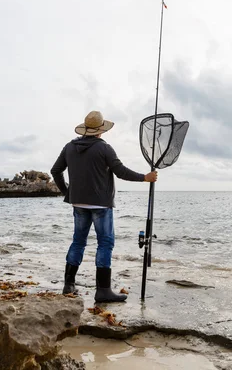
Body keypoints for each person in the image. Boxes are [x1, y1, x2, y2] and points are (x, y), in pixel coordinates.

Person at [51, 110, 157, 303]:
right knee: (105, 243)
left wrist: (67, 192)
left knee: (78, 242)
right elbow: (121, 171)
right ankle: (103, 290)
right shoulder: (104, 148)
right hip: (100, 204)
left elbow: (55, 170)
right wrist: (144, 178)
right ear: (100, 130)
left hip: (78, 203)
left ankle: (68, 285)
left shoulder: (69, 147)